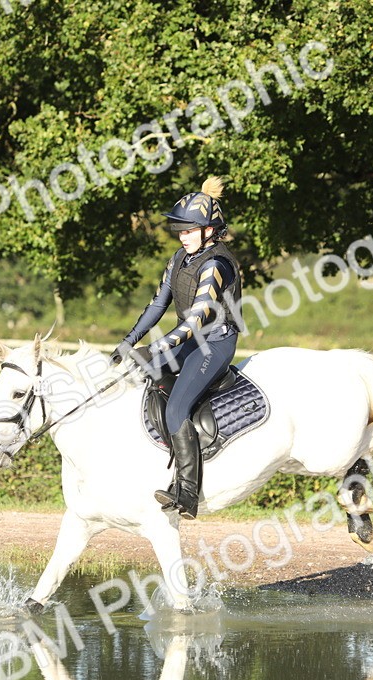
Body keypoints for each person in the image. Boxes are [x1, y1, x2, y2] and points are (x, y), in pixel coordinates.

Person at [111, 176, 243, 519]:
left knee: (175, 409)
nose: (182, 236)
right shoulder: (179, 259)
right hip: (189, 340)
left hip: (214, 343)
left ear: (209, 230)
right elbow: (158, 306)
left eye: (189, 230)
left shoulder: (216, 265)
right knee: (144, 374)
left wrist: (156, 349)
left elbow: (197, 320)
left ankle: (186, 494)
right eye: (180, 231)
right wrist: (128, 342)